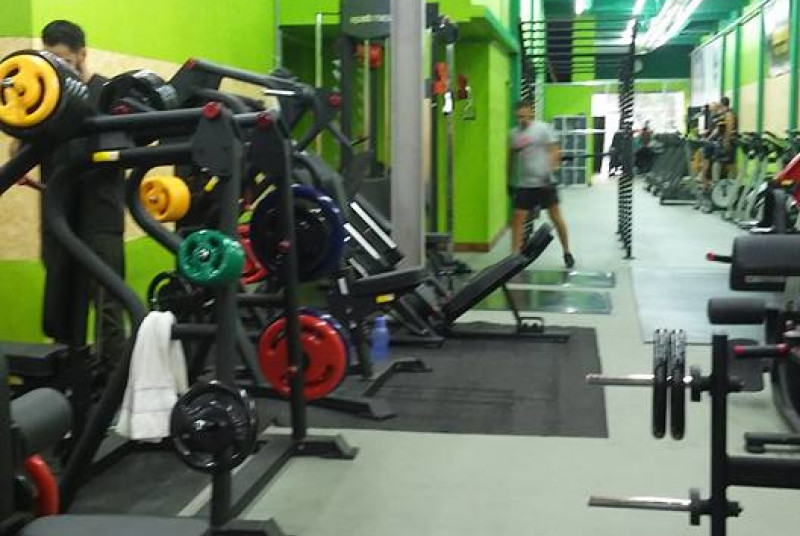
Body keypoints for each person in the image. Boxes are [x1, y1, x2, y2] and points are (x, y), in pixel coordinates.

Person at [9, 21, 127, 373]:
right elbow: (18, 150)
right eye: (50, 59)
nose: (57, 66)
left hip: (100, 213)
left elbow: (128, 147)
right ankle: (62, 379)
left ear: (82, 54)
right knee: (60, 297)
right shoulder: (48, 98)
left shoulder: (107, 93)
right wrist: (22, 129)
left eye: (63, 59)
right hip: (58, 214)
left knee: (107, 303)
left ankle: (113, 382)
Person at [507, 101, 574, 268]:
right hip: (525, 184)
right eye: (519, 117)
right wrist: (508, 179)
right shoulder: (514, 134)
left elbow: (555, 151)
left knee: (556, 217)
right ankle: (513, 257)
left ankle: (567, 252)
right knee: (517, 218)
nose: (522, 120)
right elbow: (511, 157)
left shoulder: (543, 129)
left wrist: (551, 169)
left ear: (531, 113)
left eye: (524, 116)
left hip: (545, 182)